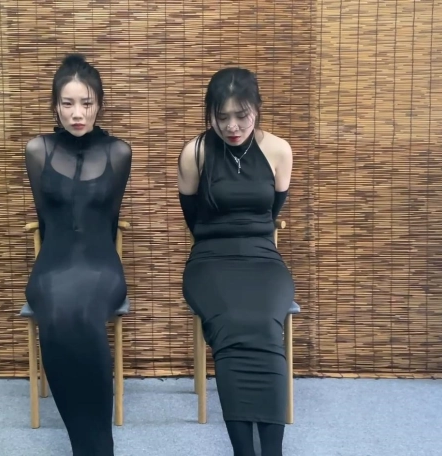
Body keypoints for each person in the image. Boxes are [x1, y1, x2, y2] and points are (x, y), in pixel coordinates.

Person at [177, 67, 295, 456]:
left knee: (265, 327)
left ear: (257, 109)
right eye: (221, 116)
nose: (231, 126)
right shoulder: (194, 153)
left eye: (241, 115)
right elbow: (194, 219)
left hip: (263, 259)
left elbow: (271, 213)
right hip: (210, 260)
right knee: (231, 326)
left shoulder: (279, 151)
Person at [24, 53, 132, 456]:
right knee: (55, 311)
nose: (77, 113)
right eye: (67, 103)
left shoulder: (119, 152)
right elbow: (45, 218)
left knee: (83, 313)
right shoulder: (38, 150)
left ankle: (99, 445)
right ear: (55, 105)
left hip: (101, 263)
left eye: (86, 103)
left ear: (99, 104)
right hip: (53, 262)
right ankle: (84, 444)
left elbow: (110, 219)